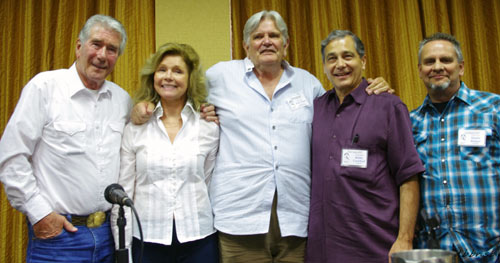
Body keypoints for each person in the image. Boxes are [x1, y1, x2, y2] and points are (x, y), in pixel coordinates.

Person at [131, 10, 390, 262]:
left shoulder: (307, 83)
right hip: (240, 220)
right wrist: (142, 105)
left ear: (286, 43)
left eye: (274, 35)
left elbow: (340, 110)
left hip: (296, 221)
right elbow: (174, 88)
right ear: (245, 45)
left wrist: (370, 87)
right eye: (257, 36)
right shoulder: (220, 77)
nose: (266, 41)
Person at [0, 14, 130, 262]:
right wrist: (40, 213)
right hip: (59, 238)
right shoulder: (45, 87)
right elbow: (11, 157)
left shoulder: (121, 99)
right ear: (79, 47)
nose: (102, 55)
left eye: (111, 49)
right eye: (96, 44)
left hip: (109, 237)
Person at [306, 30, 425, 263]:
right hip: (322, 249)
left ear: (363, 61)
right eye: (332, 58)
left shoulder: (388, 106)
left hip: (373, 247)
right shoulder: (316, 109)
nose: (340, 64)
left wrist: (405, 239)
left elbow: (409, 176)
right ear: (323, 66)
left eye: (348, 56)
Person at [111, 43, 220, 263]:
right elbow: (123, 194)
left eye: (178, 71)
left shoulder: (208, 127)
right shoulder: (135, 128)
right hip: (147, 240)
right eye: (162, 70)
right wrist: (123, 249)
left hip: (199, 238)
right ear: (153, 76)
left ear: (190, 79)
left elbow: (208, 183)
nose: (168, 76)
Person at [412, 32, 500, 263]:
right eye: (430, 62)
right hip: (433, 252)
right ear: (420, 70)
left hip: (490, 251)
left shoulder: (493, 108)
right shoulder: (409, 122)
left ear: (460, 67)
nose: (437, 67)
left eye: (446, 60)